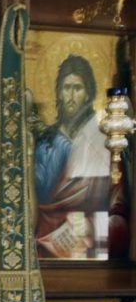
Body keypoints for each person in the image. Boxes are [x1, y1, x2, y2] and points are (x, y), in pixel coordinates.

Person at [32, 54, 117, 258]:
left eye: (77, 88)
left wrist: (91, 225)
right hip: (45, 245)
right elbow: (35, 197)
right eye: (66, 88)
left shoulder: (103, 143)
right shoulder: (45, 143)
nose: (71, 95)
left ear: (88, 94)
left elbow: (115, 206)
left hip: (87, 248)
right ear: (59, 93)